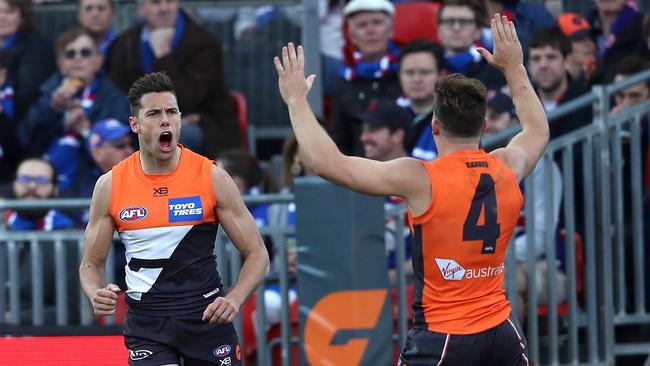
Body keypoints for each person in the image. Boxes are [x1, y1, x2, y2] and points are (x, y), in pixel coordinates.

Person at [275, 13, 548, 364]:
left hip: (445, 333)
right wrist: (514, 68)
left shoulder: (419, 178)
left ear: (434, 126)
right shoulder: (508, 165)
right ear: (482, 124)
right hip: (502, 330)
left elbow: (328, 164)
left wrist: (296, 100)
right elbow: (538, 130)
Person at [79, 72, 269, 365]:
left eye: (171, 112)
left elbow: (257, 255)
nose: (165, 120)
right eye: (154, 113)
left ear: (180, 119)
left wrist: (234, 298)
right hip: (148, 322)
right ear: (135, 124)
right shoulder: (110, 185)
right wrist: (95, 292)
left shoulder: (211, 176)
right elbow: (91, 264)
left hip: (206, 317)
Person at [107, 0, 239, 157]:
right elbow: (116, 90)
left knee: (171, 133)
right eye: (155, 3)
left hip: (202, 122)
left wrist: (164, 55)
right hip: (138, 119)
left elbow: (188, 99)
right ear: (141, 9)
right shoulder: (125, 43)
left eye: (169, 1)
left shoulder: (204, 42)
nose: (164, 8)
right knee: (107, 136)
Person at [18, 27, 130, 157]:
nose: (78, 58)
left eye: (85, 52)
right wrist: (52, 109)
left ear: (99, 61)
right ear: (61, 64)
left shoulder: (116, 99)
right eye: (70, 54)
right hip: (47, 169)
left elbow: (122, 153)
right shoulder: (47, 93)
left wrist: (86, 130)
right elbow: (24, 141)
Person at [3, 158, 79, 324]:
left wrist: (13, 319)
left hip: (39, 340)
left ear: (55, 189)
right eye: (24, 179)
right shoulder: (3, 229)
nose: (31, 186)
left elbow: (76, 310)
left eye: (41, 181)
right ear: (14, 185)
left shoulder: (70, 240)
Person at [329, 0, 402, 156]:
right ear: (352, 36)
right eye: (362, 25)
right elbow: (340, 139)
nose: (370, 30)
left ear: (391, 30)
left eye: (377, 22)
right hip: (359, 172)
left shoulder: (407, 71)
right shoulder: (343, 81)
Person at [527, 26, 591, 139]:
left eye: (551, 57)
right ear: (529, 66)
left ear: (567, 61)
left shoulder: (587, 103)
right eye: (536, 59)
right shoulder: (519, 103)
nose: (543, 65)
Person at [0, 0, 55, 123]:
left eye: (9, 12)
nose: (1, 17)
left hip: (21, 123)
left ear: (22, 16)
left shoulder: (37, 47)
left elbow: (26, 96)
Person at [438, 0, 506, 92]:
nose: (456, 28)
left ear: (478, 31)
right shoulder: (426, 64)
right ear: (439, 30)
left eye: (464, 22)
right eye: (449, 21)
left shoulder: (495, 65)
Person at [396, 39, 445, 161]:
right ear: (399, 75)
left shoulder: (456, 117)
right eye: (409, 73)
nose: (417, 79)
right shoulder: (386, 116)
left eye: (425, 72)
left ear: (441, 75)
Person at [557, 13, 597, 86]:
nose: (589, 44)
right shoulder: (554, 87)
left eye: (591, 38)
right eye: (579, 39)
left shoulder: (599, 75)